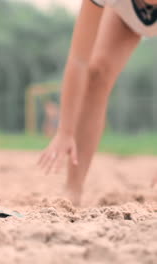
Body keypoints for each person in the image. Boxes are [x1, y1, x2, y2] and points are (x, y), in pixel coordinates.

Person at [37, 0, 157, 206]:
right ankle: (73, 189)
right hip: (126, 17)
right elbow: (79, 60)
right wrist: (65, 130)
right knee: (97, 73)